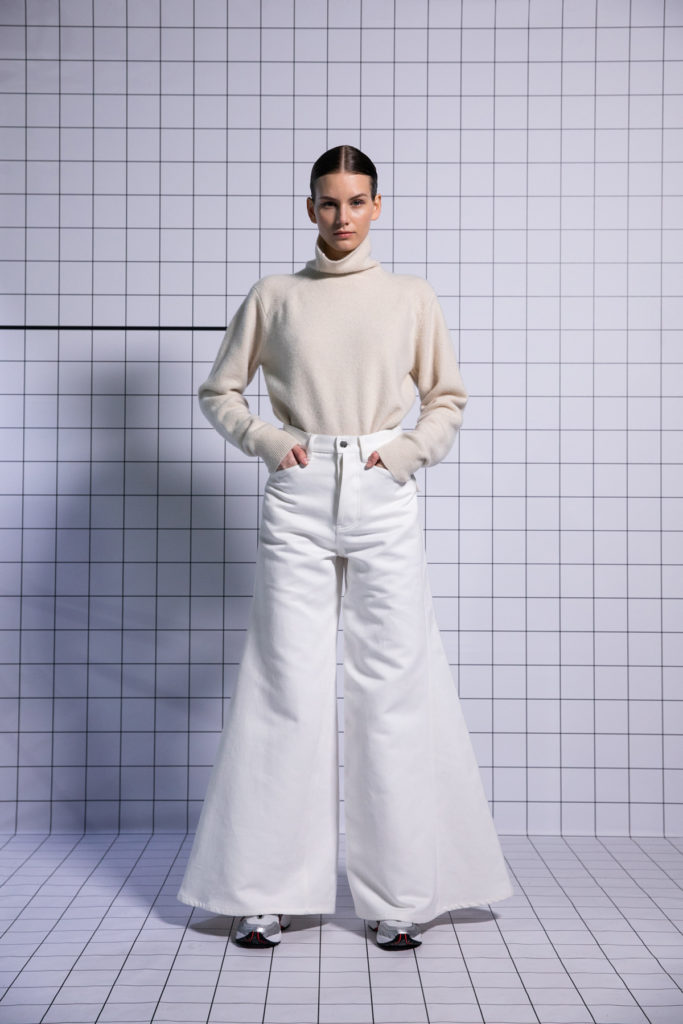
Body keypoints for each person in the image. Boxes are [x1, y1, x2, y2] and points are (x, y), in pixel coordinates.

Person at [177, 145, 513, 950]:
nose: (342, 216)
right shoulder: (275, 296)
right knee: (283, 685)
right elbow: (221, 390)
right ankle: (264, 893)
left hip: (380, 489)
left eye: (356, 201)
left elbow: (446, 397)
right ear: (310, 209)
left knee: (390, 690)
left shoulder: (409, 297)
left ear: (376, 207)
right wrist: (267, 441)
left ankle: (397, 896)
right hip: (298, 490)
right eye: (328, 202)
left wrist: (402, 455)